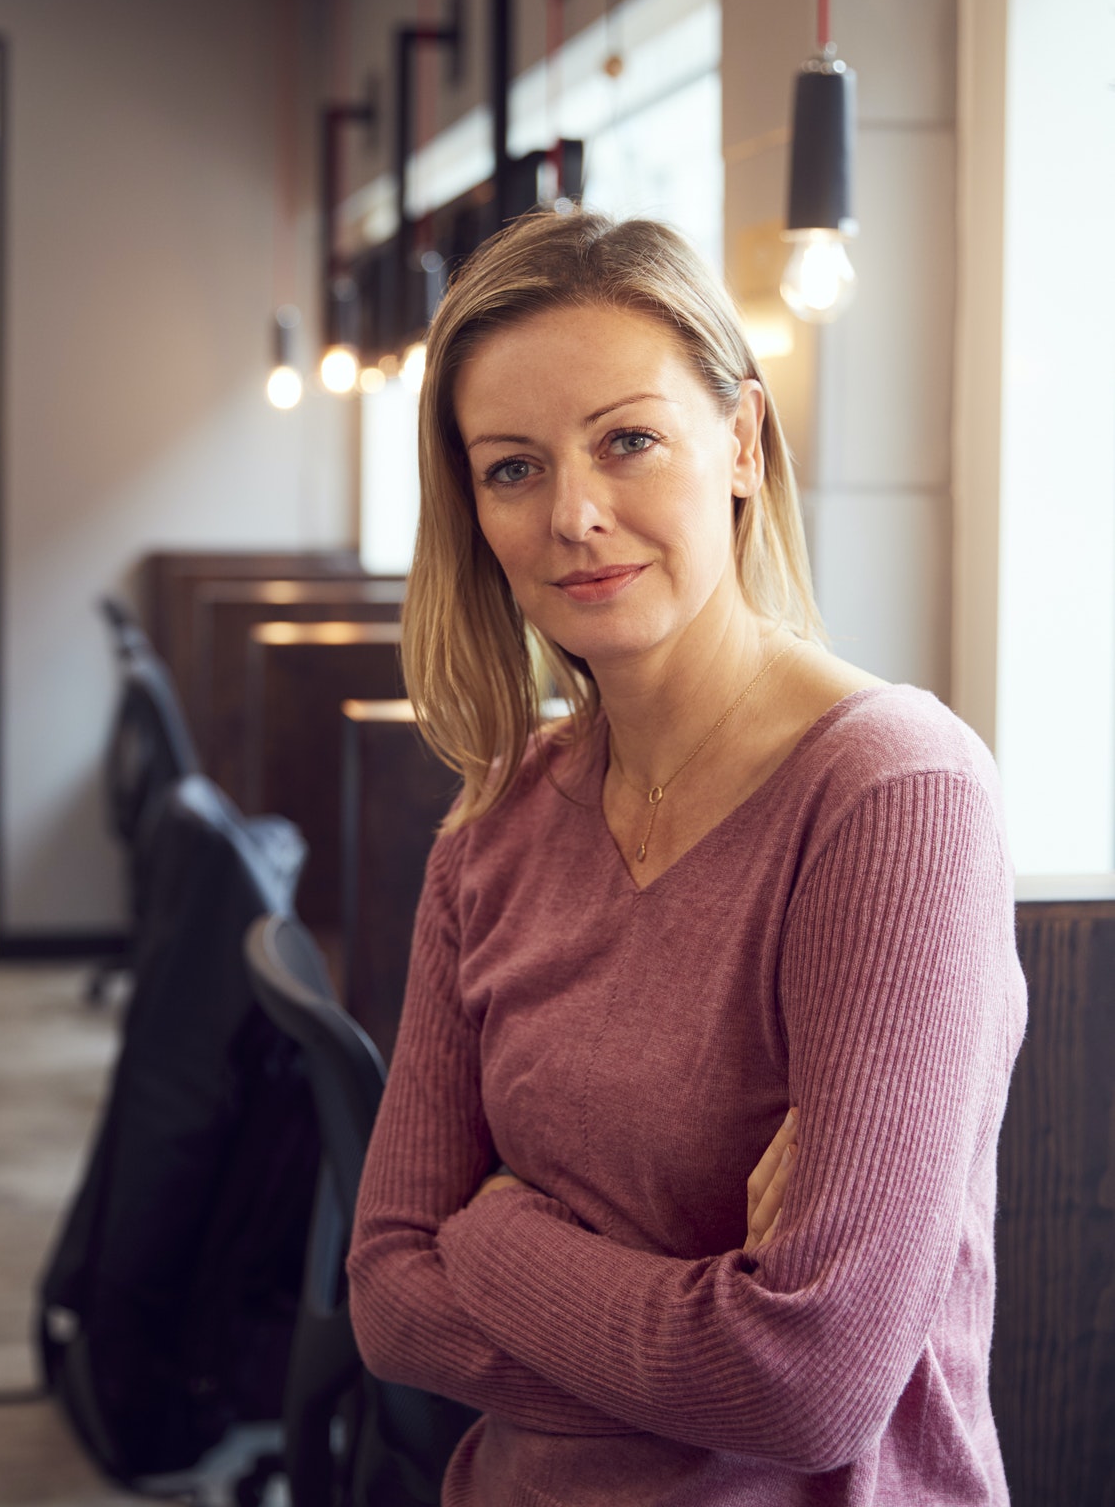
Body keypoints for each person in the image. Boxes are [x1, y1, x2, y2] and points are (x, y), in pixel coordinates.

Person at [347, 210, 1026, 1505]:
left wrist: (494, 1236)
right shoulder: (493, 823)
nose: (575, 515)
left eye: (627, 441)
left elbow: (808, 1386)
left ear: (740, 442)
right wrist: (692, 1326)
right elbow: (387, 1295)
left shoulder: (893, 795)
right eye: (512, 468)